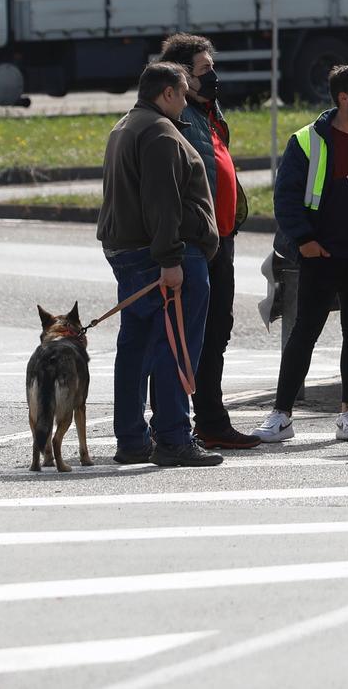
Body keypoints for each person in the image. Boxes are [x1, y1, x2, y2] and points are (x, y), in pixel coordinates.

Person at [256, 65, 348, 444]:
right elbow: (285, 197)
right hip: (320, 255)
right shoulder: (306, 140)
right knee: (304, 332)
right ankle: (281, 415)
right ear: (344, 99)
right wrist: (304, 239)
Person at [97, 62, 224, 467]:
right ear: (166, 92)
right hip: (164, 255)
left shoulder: (127, 125)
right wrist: (170, 260)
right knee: (176, 347)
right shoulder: (159, 132)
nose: (186, 101)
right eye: (183, 93)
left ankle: (132, 439)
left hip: (132, 252)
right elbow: (162, 202)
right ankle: (172, 437)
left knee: (136, 347)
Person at [158, 34, 258, 453]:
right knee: (184, 339)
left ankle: (211, 421)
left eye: (212, 66)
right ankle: (172, 427)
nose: (212, 76)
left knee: (217, 333)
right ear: (182, 78)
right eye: (203, 70)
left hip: (222, 239)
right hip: (196, 244)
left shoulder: (210, 110)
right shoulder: (175, 116)